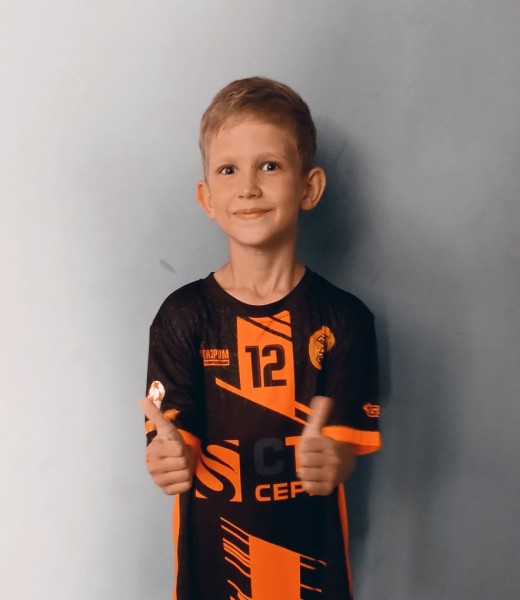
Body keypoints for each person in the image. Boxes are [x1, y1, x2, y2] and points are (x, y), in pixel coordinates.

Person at [141, 76, 382, 600]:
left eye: (269, 166)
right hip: (211, 580)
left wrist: (334, 459)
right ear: (207, 197)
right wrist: (168, 459)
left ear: (309, 187)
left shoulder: (345, 320)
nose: (248, 187)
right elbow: (171, 445)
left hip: (311, 580)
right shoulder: (183, 317)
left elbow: (345, 449)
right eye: (228, 169)